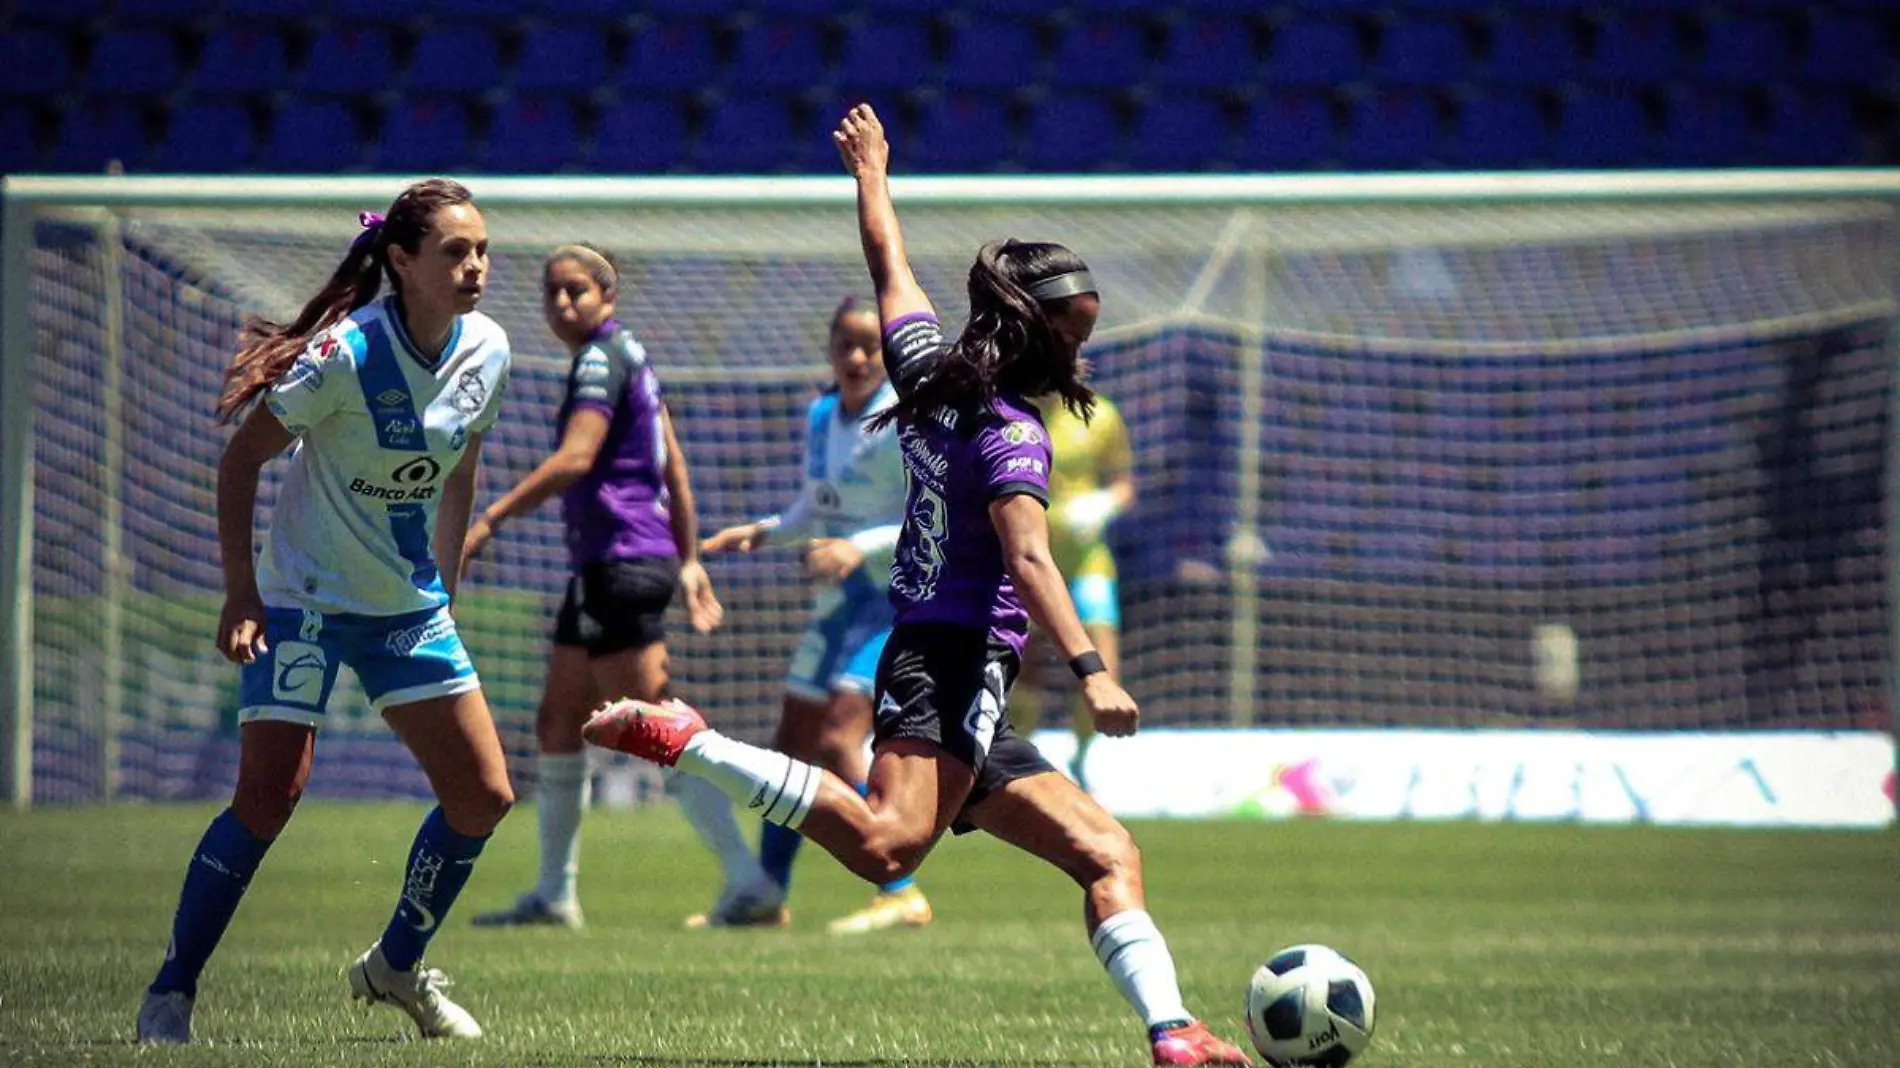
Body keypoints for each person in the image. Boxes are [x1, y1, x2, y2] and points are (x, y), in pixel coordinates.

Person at [585, 105, 1251, 1067]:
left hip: (958, 677)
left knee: (1108, 853)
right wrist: (1093, 669)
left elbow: (888, 267)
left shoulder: (927, 371)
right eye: (1072, 332)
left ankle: (1174, 1032)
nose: (1081, 349)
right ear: (1030, 333)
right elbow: (1028, 559)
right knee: (887, 849)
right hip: (949, 661)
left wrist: (873, 175)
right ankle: (692, 743)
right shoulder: (1014, 434)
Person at [138, 179, 512, 1044]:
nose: (476, 266)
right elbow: (242, 463)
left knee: (483, 796)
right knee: (271, 796)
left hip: (405, 607)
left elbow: (462, 467)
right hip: (302, 600)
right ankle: (171, 993)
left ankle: (395, 966)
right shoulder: (343, 353)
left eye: (483, 250)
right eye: (455, 252)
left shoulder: (488, 349)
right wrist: (242, 591)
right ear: (401, 263)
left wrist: (445, 584)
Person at [462, 244, 777, 931]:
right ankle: (555, 894)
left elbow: (576, 459)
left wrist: (487, 520)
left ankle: (749, 881)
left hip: (621, 564)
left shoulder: (601, 361)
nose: (563, 303)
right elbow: (676, 466)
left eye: (577, 290)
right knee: (558, 720)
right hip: (610, 566)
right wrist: (688, 557)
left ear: (608, 296)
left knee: (658, 729)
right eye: (552, 292)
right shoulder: (629, 355)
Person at [701, 296, 933, 935]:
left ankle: (900, 888)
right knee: (795, 742)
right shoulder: (822, 414)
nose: (857, 357)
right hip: (838, 606)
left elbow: (927, 515)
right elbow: (816, 507)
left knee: (837, 740)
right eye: (845, 344)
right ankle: (766, 893)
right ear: (829, 347)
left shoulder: (904, 421)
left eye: (870, 345)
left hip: (894, 603)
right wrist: (764, 531)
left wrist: (856, 547)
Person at [1009, 388, 1135, 791]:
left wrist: (1103, 506)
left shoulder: (1101, 415)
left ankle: (1083, 755)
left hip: (1086, 562)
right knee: (1023, 662)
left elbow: (1123, 485)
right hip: (1029, 558)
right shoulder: (1011, 413)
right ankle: (1022, 755)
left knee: (1103, 665)